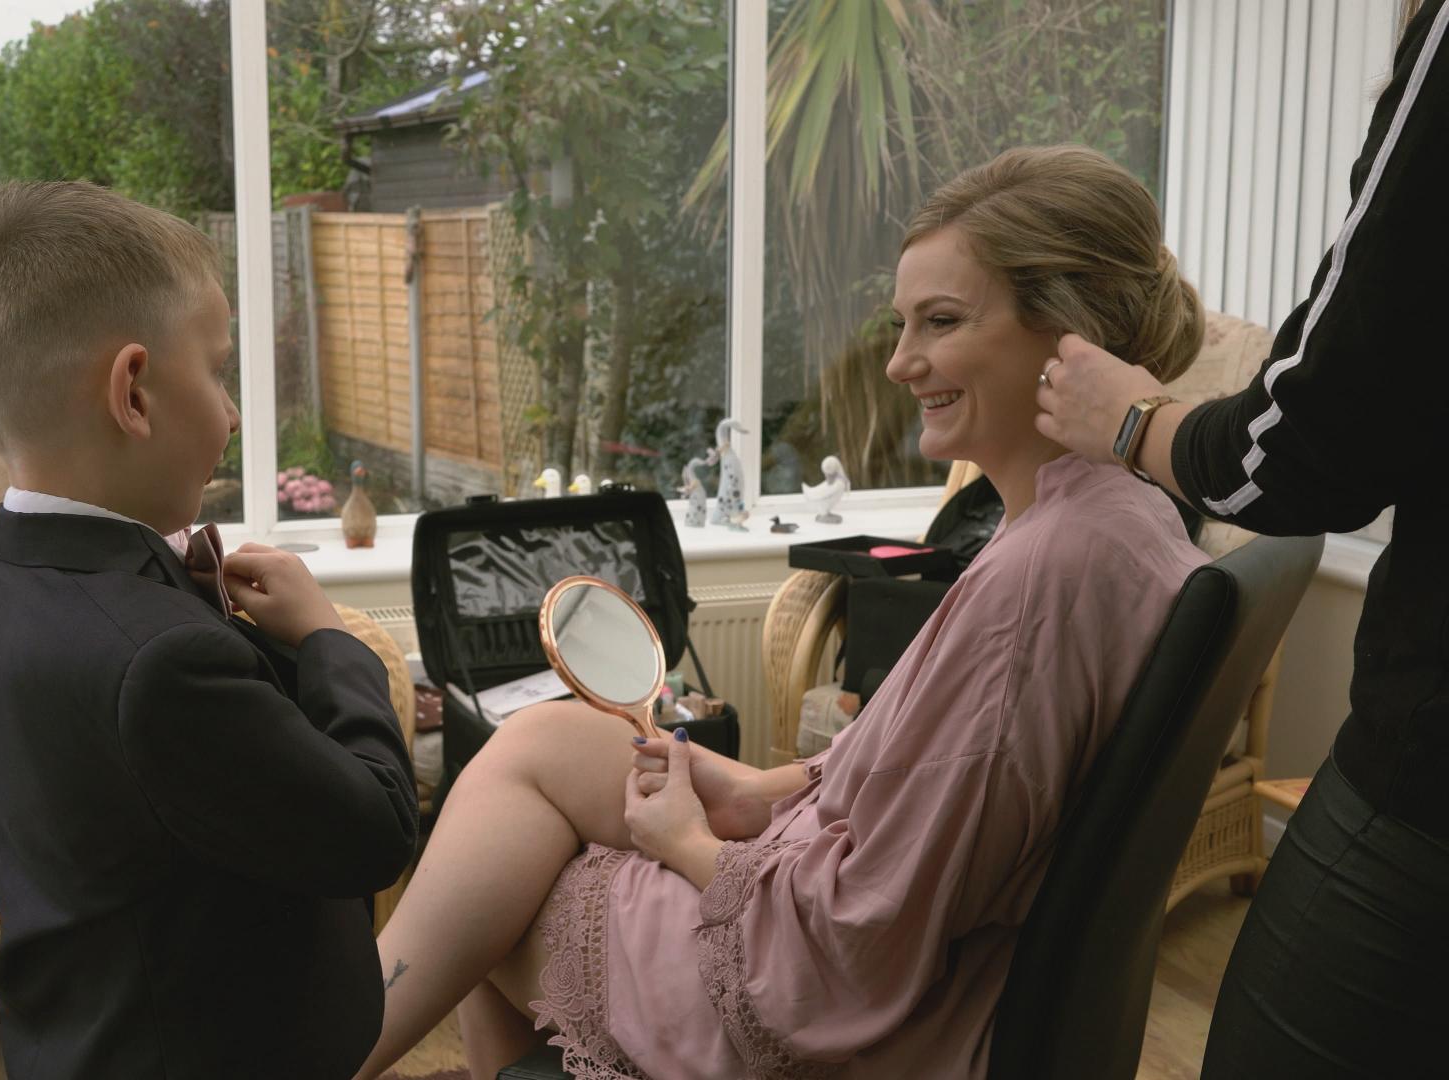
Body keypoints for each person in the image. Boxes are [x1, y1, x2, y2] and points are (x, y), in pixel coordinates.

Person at [354, 145, 1209, 1080]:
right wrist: (768, 788)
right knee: (541, 746)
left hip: (829, 998)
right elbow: (950, 773)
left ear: (1069, 339)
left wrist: (684, 844)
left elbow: (856, 942)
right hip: (837, 892)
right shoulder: (1109, 516)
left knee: (499, 886)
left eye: (942, 322)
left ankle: (338, 1053)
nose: (898, 361)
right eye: (899, 323)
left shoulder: (1043, 579)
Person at [1034, 2, 1449, 1073]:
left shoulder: (1063, 568)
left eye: (942, 321)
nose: (903, 362)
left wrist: (1134, 424)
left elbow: (1313, 443)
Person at [0, 181, 418, 1078]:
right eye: (217, 369)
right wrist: (326, 638)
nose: (232, 414)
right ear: (135, 392)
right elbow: (377, 828)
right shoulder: (165, 662)